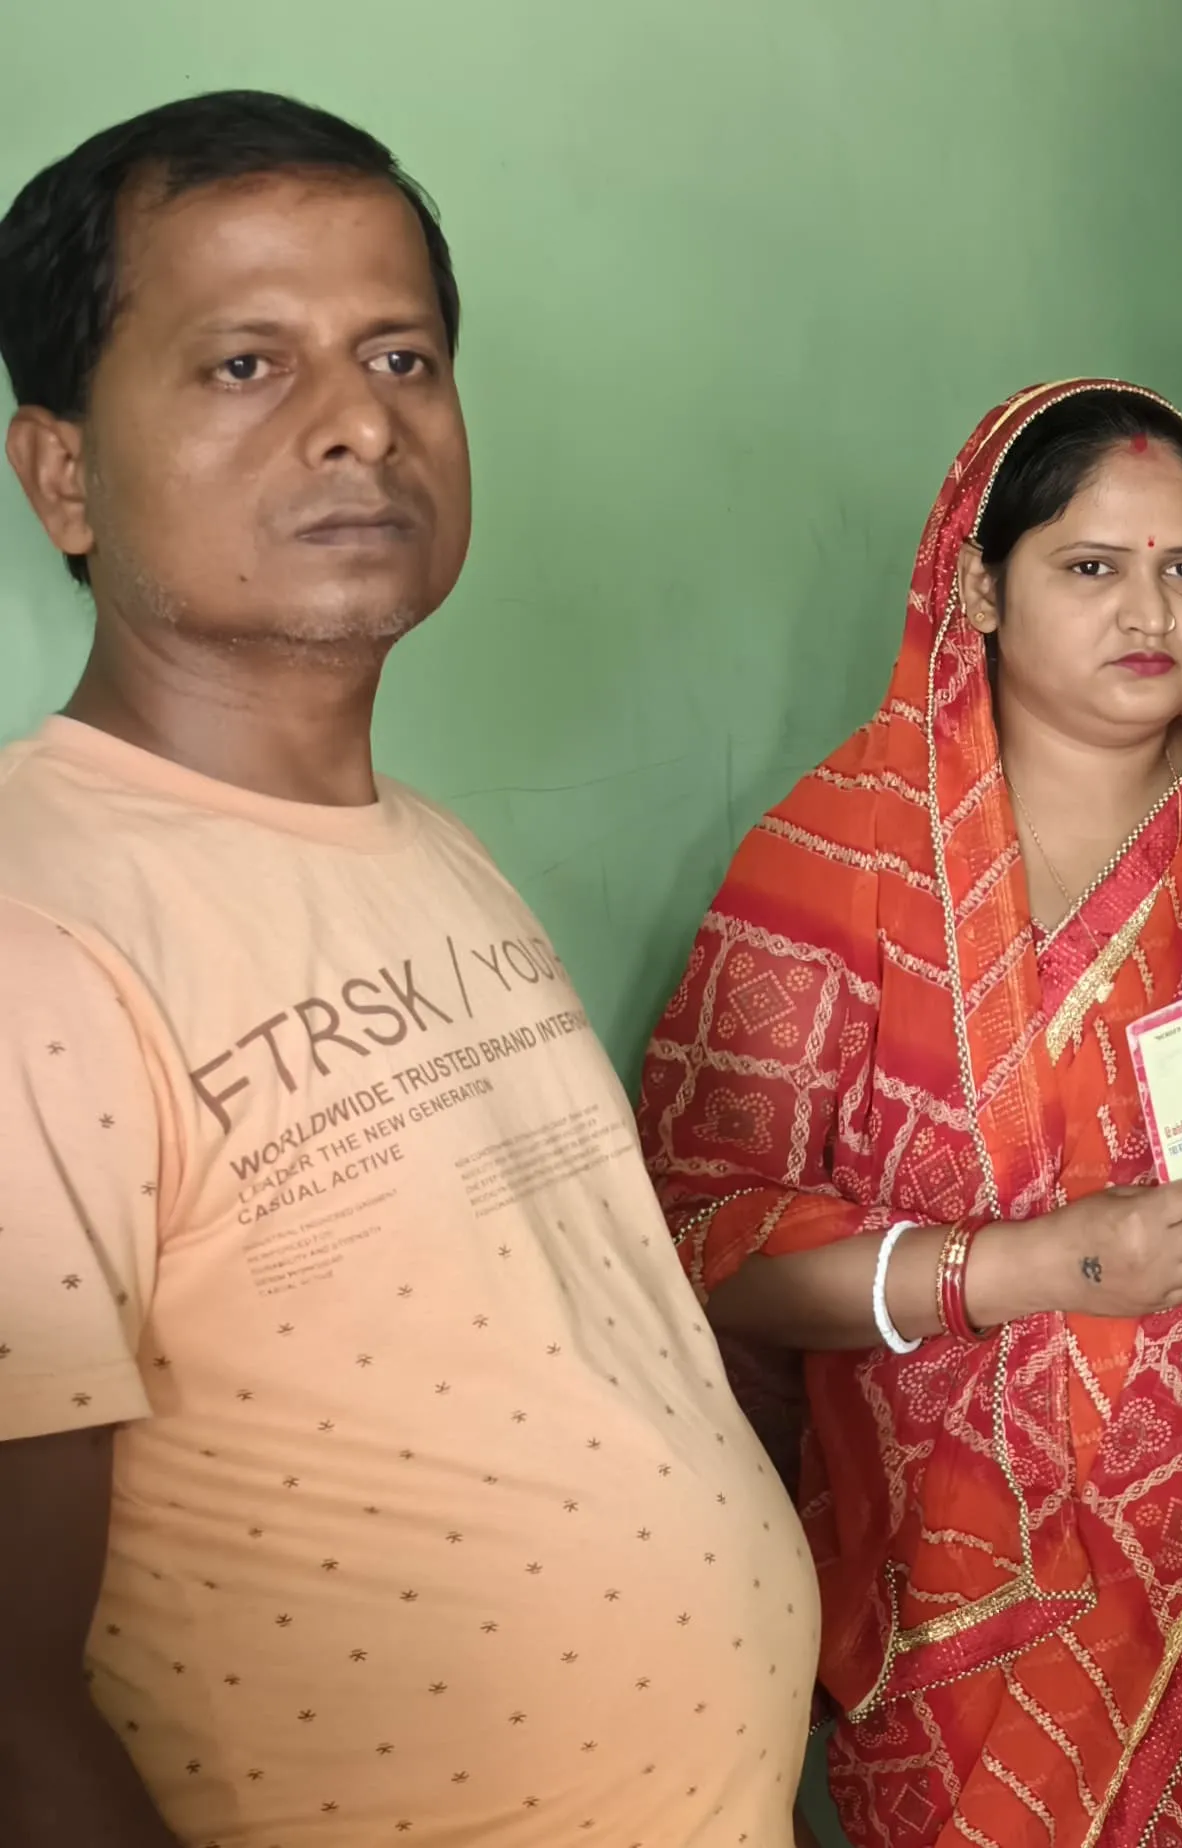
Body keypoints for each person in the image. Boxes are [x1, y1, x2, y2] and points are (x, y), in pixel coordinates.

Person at [0, 92, 811, 1844]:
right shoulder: (34, 931)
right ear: (61, 474)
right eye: (246, 365)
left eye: (401, 357)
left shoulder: (422, 842)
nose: (362, 421)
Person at [638, 380, 1182, 1846]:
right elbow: (703, 1235)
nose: (1149, 611)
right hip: (967, 1583)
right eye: (1091, 567)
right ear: (977, 589)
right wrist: (1041, 1267)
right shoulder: (840, 859)